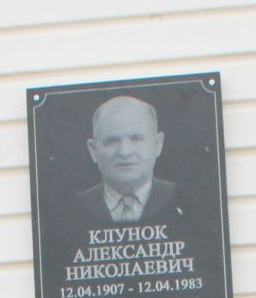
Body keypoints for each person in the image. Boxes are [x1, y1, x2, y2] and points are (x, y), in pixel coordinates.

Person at [75, 94, 183, 226]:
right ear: (93, 150)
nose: (124, 152)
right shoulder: (72, 207)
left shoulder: (185, 199)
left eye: (136, 139)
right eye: (112, 141)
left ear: (158, 144)